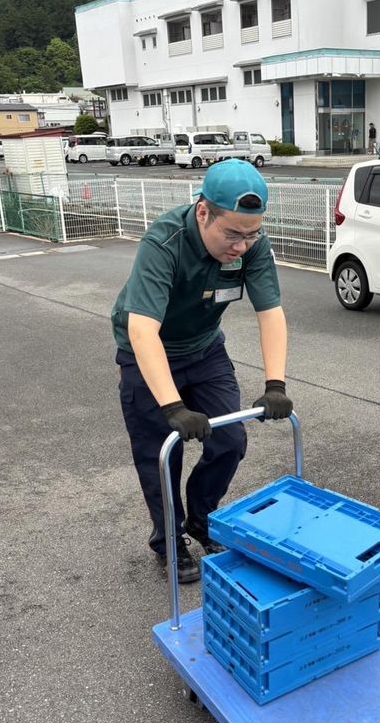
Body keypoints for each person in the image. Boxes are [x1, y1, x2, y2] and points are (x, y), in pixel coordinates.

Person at [111, 159, 292, 584]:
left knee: (230, 439)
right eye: (232, 235)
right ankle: (169, 539)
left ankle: (202, 519)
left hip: (206, 348)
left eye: (251, 234)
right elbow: (142, 329)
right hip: (149, 351)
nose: (242, 246)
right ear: (203, 211)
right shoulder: (165, 242)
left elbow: (271, 312)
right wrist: (172, 406)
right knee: (161, 454)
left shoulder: (251, 243)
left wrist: (275, 384)